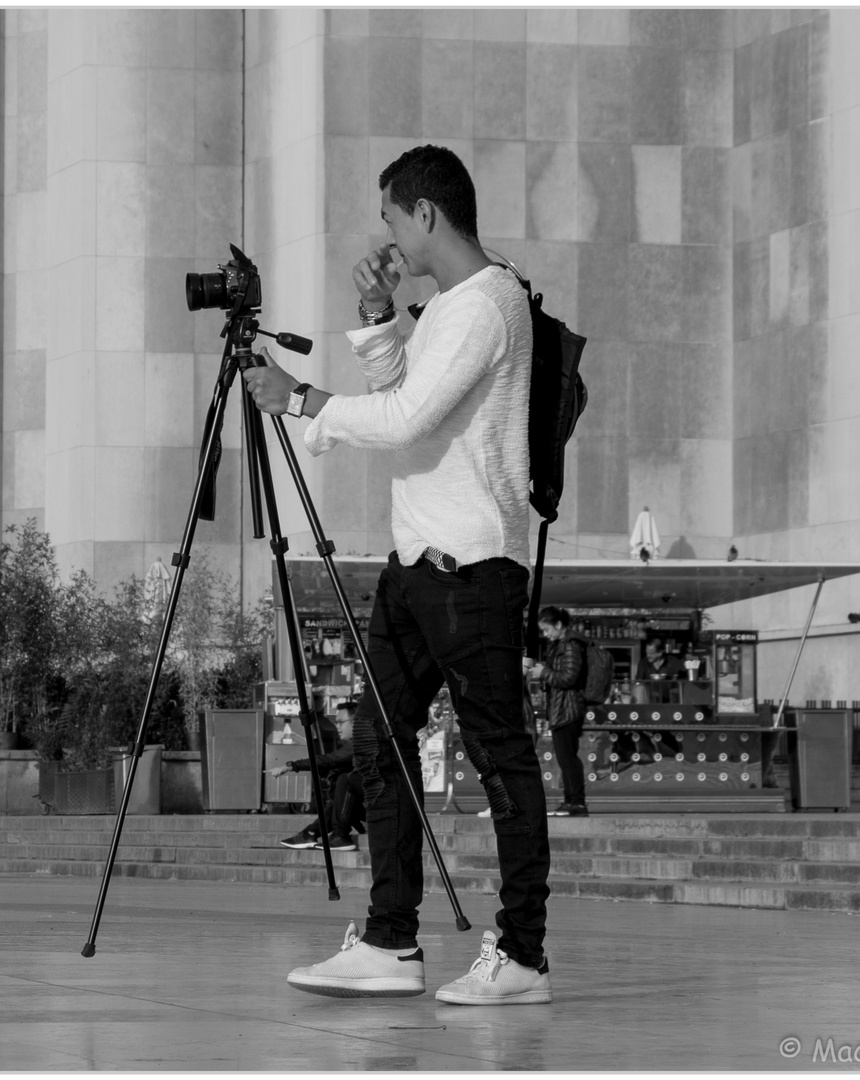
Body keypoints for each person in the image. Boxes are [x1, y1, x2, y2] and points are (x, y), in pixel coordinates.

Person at [243, 144, 552, 1005]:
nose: (383, 232)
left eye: (389, 215)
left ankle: (523, 958)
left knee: (501, 762)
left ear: (424, 214)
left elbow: (411, 418)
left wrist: (303, 399)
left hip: (473, 568)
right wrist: (379, 316)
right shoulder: (452, 306)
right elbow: (411, 389)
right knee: (379, 745)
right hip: (416, 563)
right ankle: (390, 942)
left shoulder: (489, 306)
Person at [275, 703, 366, 851]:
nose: (338, 727)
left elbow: (331, 758)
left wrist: (293, 766)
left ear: (356, 722)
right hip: (366, 805)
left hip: (379, 805)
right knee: (342, 784)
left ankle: (337, 835)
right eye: (335, 722)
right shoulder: (357, 744)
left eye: (341, 722)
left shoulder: (361, 742)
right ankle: (311, 833)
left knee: (346, 780)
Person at [527, 607, 587, 816]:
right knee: (565, 757)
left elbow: (569, 677)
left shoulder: (570, 645)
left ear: (559, 625)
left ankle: (577, 802)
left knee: (568, 757)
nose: (546, 634)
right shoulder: (561, 645)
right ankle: (571, 801)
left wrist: (543, 672)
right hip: (561, 708)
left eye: (547, 629)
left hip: (567, 708)